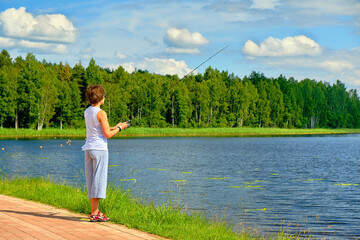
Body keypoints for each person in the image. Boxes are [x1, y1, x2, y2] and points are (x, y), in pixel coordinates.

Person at [82, 84, 129, 222]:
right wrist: (120, 129)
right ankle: (95, 213)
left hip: (89, 149)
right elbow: (107, 134)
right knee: (98, 180)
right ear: (101, 98)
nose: (105, 97)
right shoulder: (101, 112)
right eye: (104, 95)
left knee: (91, 181)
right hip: (100, 150)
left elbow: (100, 129)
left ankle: (94, 212)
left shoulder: (87, 111)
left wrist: (118, 125)